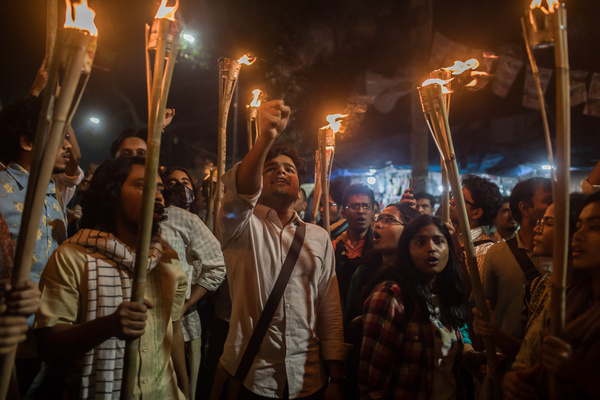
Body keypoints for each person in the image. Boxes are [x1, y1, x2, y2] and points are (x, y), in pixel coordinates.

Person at [216, 100, 346, 399]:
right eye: (270, 168)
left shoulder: (319, 237)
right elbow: (241, 191)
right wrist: (266, 137)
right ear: (258, 183)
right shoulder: (238, 226)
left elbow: (329, 308)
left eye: (289, 168)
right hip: (251, 376)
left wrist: (336, 377)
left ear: (300, 186)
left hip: (309, 377)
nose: (281, 172)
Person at [34, 157, 189, 399]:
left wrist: (186, 391)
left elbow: (174, 331)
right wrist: (108, 326)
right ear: (112, 193)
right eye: (143, 186)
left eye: (160, 188)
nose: (158, 196)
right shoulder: (72, 257)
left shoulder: (168, 261)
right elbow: (48, 345)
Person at [358, 215, 484, 399]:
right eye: (420, 242)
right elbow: (373, 384)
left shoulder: (446, 297)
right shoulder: (390, 297)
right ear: (406, 251)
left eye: (439, 241)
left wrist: (473, 358)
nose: (431, 248)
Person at [501, 192, 600, 399]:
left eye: (594, 227)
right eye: (580, 226)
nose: (578, 236)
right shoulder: (570, 295)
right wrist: (516, 379)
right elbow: (531, 355)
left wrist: (580, 373)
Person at [161, 167, 226, 399]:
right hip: (156, 320)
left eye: (185, 182)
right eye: (172, 182)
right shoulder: (159, 216)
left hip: (184, 322)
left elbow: (216, 267)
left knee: (185, 385)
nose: (180, 187)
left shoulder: (194, 221)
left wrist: (187, 304)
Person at [333, 184, 378, 309]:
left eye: (366, 206)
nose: (361, 211)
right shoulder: (334, 247)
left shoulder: (379, 248)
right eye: (354, 206)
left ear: (373, 213)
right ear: (343, 213)